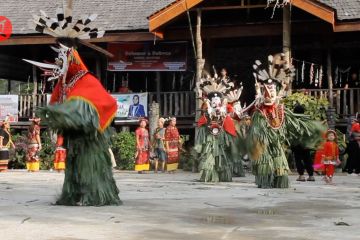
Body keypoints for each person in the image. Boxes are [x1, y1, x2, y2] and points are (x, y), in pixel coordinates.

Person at [26, 2, 121, 206]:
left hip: (89, 140)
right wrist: (54, 113)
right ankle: (75, 194)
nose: (58, 61)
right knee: (73, 167)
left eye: (61, 55)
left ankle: (95, 195)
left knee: (90, 166)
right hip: (74, 141)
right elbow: (58, 105)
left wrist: (68, 114)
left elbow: (104, 104)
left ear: (70, 56)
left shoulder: (87, 80)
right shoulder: (64, 84)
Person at [248, 53, 325, 188]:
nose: (270, 93)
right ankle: (264, 179)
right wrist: (258, 92)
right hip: (263, 139)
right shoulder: (259, 111)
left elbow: (280, 103)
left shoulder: (281, 109)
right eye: (267, 90)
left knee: (278, 156)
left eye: (272, 90)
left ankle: (279, 180)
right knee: (264, 157)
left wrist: (284, 88)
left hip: (276, 139)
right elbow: (260, 100)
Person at [291, 103, 315, 182]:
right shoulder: (307, 120)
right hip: (306, 143)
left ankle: (301, 176)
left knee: (298, 159)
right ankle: (311, 176)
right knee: (307, 159)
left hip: (297, 143)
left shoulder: (293, 120)